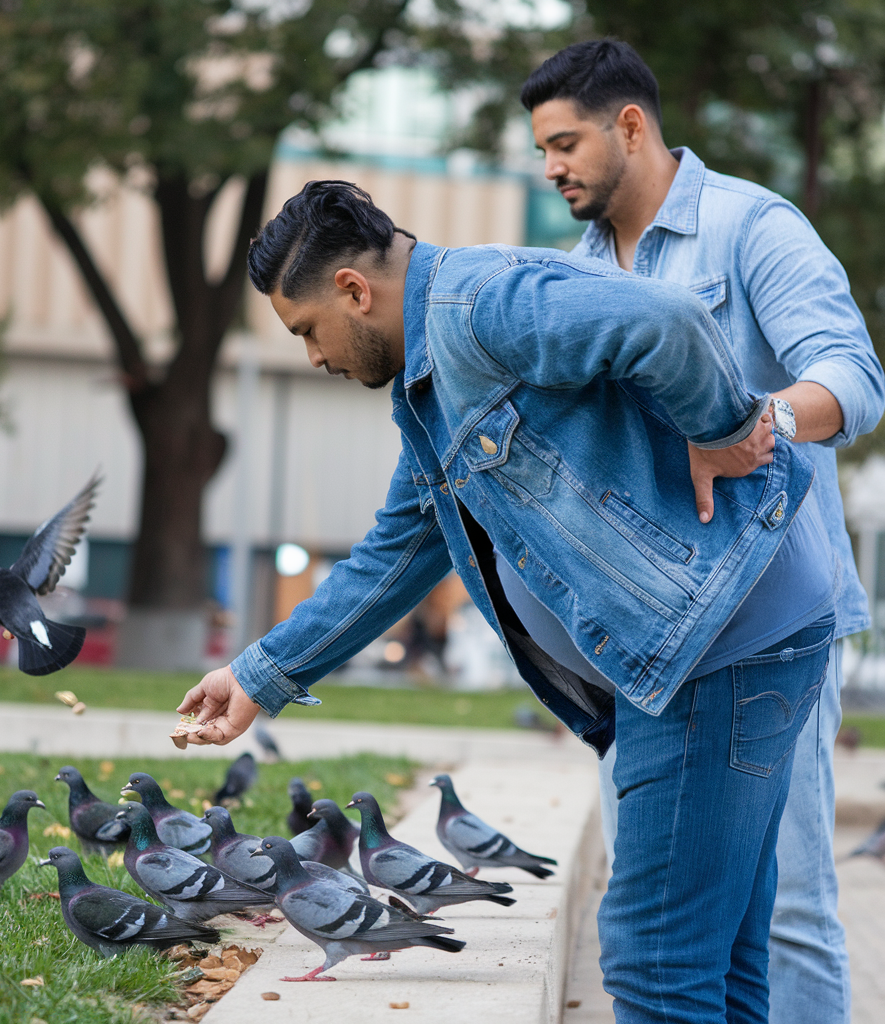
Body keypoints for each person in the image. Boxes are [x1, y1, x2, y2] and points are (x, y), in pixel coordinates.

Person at [176, 179, 837, 1022]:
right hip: (736, 637)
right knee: (722, 959)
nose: (313, 355)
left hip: (719, 648)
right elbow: (399, 552)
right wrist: (261, 674)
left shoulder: (481, 305)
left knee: (654, 963)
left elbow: (669, 324)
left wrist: (722, 426)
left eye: (307, 330)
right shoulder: (432, 379)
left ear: (352, 290)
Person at [520, 39, 885, 1024]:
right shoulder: (574, 272)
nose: (549, 167)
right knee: (669, 916)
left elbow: (852, 379)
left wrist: (748, 426)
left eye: (563, 144)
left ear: (628, 126)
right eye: (541, 150)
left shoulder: (751, 228)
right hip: (642, 637)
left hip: (771, 627)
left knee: (790, 906)